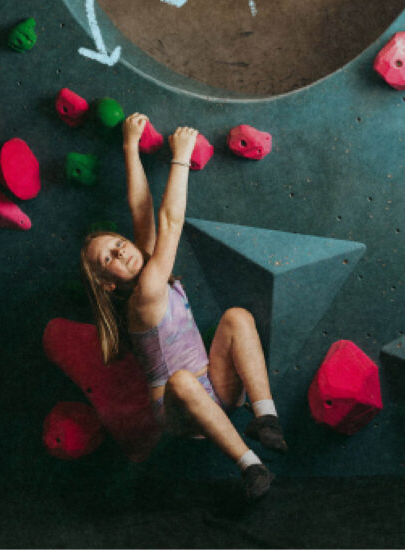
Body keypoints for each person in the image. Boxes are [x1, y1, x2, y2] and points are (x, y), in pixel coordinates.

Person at [80, 113, 287, 500]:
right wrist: (181, 157)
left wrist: (129, 147)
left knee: (237, 318)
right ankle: (252, 467)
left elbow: (141, 209)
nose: (121, 249)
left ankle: (265, 416)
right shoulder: (143, 298)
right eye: (108, 257)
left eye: (117, 242)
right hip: (178, 408)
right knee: (181, 381)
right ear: (108, 283)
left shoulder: (145, 270)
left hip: (215, 383)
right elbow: (170, 223)